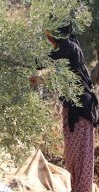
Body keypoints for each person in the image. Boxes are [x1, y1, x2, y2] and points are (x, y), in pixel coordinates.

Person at [43, 23, 98, 192]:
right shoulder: (67, 51)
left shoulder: (68, 46)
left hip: (81, 109)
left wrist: (22, 60)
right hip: (72, 108)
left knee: (80, 156)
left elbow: (44, 60)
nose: (50, 40)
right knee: (72, 155)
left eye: (51, 36)